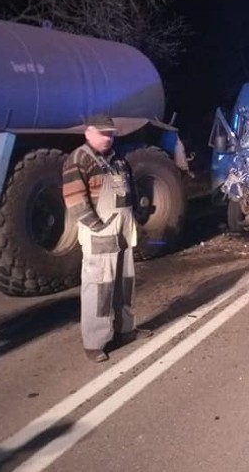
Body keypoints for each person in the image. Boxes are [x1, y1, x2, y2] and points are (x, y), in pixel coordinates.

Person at [62, 114, 152, 363]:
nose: (107, 138)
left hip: (122, 230)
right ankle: (95, 342)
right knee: (99, 288)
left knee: (125, 283)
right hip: (100, 233)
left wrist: (134, 219)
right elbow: (75, 200)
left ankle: (126, 330)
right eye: (103, 133)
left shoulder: (117, 159)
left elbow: (129, 192)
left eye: (110, 134)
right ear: (87, 133)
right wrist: (96, 226)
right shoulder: (78, 160)